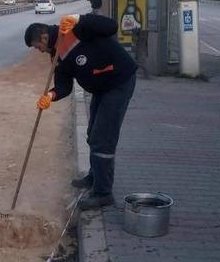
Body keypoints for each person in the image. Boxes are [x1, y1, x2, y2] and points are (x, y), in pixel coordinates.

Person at [25, 14, 137, 210]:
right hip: (101, 89)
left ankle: (103, 193)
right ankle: (95, 177)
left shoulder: (75, 30)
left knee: (102, 139)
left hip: (119, 81)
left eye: (37, 46)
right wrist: (50, 95)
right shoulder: (57, 56)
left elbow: (110, 26)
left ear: (44, 36)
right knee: (92, 133)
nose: (39, 50)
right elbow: (64, 86)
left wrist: (79, 18)